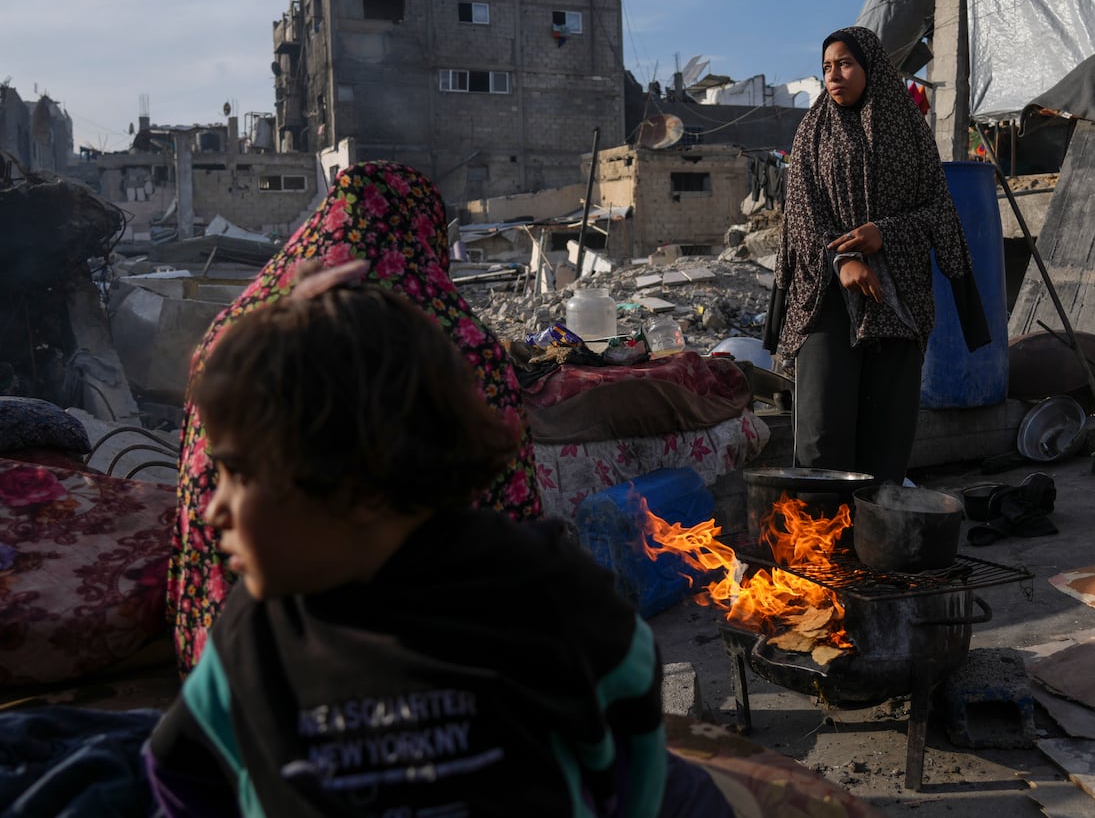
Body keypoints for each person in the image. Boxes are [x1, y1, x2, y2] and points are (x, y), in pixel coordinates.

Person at [145, 272, 724, 816]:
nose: (210, 508)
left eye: (237, 473)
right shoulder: (251, 636)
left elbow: (630, 729)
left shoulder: (537, 591)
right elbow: (185, 776)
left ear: (356, 472)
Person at [168, 162, 542, 676]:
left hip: (246, 615)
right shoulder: (458, 341)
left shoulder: (239, 331)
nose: (215, 508)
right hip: (445, 635)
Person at [770, 25, 983, 483]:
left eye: (844, 64)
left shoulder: (908, 130)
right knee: (823, 435)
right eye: (827, 67)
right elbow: (801, 211)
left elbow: (938, 210)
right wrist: (842, 260)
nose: (834, 76)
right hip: (825, 296)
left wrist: (883, 233)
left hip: (897, 296)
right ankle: (823, 544)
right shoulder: (812, 132)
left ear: (871, 67)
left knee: (886, 438)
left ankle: (880, 535)